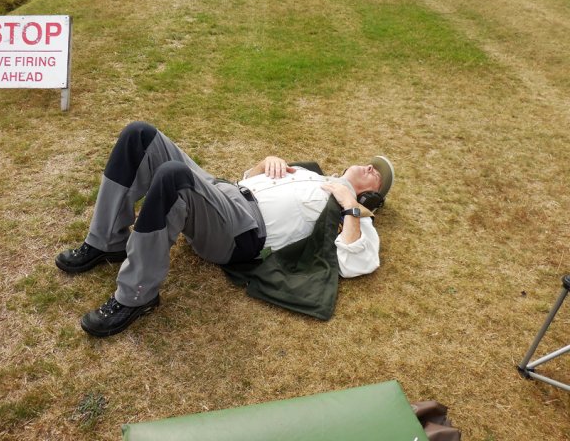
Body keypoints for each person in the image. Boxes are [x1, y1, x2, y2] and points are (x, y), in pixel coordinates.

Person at [56, 122, 394, 337]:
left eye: (376, 174)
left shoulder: (354, 212)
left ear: (372, 196)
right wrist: (264, 163)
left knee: (173, 176)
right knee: (139, 134)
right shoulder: (312, 174)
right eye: (371, 163)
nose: (369, 165)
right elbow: (248, 179)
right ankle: (106, 241)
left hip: (241, 232)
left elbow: (355, 262)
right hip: (225, 191)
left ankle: (136, 296)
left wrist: (349, 204)